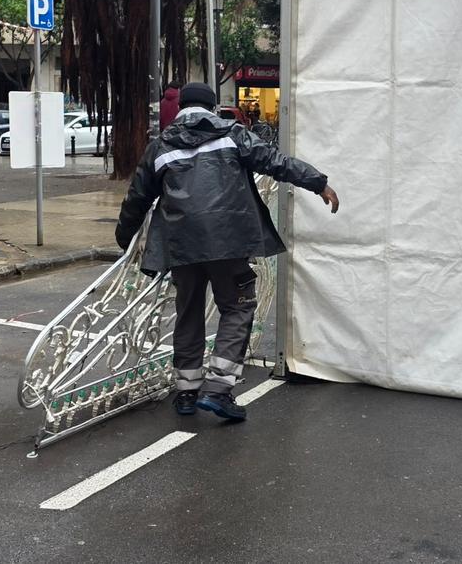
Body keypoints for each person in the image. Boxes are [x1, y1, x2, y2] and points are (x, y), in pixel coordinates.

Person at [115, 82, 339, 421]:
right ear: (212, 108)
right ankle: (219, 388)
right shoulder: (232, 134)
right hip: (228, 240)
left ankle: (187, 392)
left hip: (181, 246)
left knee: (188, 311)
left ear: (182, 109)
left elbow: (137, 197)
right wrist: (317, 182)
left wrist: (124, 237)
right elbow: (274, 161)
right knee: (237, 307)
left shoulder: (160, 146)